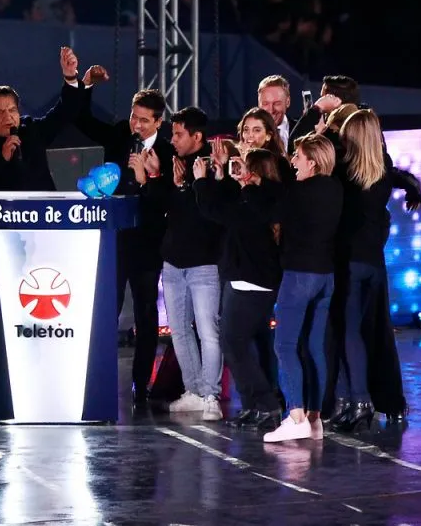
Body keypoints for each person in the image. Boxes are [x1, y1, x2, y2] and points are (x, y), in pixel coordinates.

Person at [72, 65, 174, 403]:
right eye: (135, 117)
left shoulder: (170, 149)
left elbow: (170, 199)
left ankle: (141, 383)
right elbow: (84, 122)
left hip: (148, 244)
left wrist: (148, 180)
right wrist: (84, 85)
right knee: (106, 308)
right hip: (114, 240)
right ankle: (95, 375)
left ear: (159, 122)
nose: (137, 124)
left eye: (145, 120)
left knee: (146, 315)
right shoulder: (120, 134)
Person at [194, 149, 286, 432]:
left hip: (250, 283)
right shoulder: (262, 200)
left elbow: (215, 211)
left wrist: (201, 181)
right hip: (248, 280)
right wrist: (222, 175)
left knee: (233, 343)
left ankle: (267, 404)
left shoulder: (255, 206)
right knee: (236, 344)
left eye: (246, 169)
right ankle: (251, 405)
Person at [144, 106, 225, 421]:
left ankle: (211, 396)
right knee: (179, 331)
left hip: (204, 264)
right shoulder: (175, 164)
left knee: (209, 332)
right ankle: (193, 389)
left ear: (197, 136)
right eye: (172, 134)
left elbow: (209, 213)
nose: (173, 140)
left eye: (178, 134)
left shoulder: (213, 166)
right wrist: (156, 178)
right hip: (174, 263)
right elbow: (163, 208)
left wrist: (188, 185)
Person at [264, 134, 342, 443]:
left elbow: (271, 210)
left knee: (284, 346)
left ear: (312, 161)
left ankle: (295, 417)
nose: (294, 161)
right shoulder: (335, 188)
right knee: (313, 347)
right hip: (326, 277)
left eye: (298, 156)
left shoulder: (298, 192)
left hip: (299, 277)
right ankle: (314, 419)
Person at [327, 110, 392, 432]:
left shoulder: (344, 172)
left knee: (346, 331)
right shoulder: (383, 171)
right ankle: (350, 400)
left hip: (349, 263)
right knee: (351, 331)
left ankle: (358, 400)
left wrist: (323, 126)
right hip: (373, 264)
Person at [0, 46, 83, 195]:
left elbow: (64, 113)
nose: (7, 117)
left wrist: (70, 78)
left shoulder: (31, 130)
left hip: (43, 213)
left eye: (12, 110)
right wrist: (1, 158)